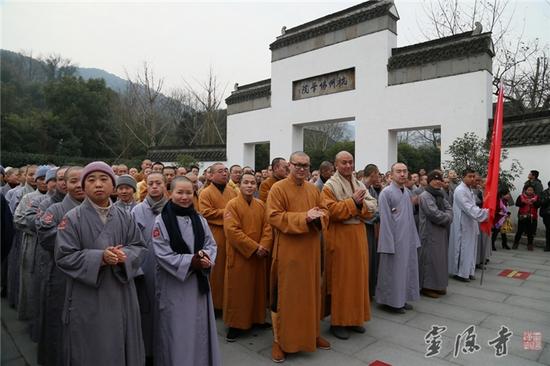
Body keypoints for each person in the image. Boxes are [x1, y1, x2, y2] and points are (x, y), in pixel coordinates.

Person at [54, 161, 147, 365]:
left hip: (122, 291)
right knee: (92, 348)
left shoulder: (126, 217)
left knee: (123, 341)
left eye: (104, 179)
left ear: (112, 186)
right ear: (84, 186)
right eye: (92, 180)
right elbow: (64, 256)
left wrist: (125, 256)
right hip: (88, 295)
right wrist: (100, 258)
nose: (98, 184)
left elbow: (139, 246)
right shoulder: (71, 218)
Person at [266, 151, 331, 363]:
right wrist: (304, 217)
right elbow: (274, 216)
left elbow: (324, 211)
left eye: (305, 165)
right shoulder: (278, 188)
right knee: (286, 297)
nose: (302, 169)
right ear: (289, 166)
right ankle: (280, 341)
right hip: (289, 252)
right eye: (298, 165)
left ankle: (311, 334)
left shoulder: (313, 189)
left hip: (311, 252)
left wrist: (318, 217)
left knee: (311, 294)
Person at [152, 176, 220, 366]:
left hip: (198, 286)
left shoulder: (199, 219)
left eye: (188, 192)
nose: (184, 197)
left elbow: (211, 244)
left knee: (199, 329)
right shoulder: (161, 221)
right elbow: (162, 254)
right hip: (175, 285)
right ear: (169, 193)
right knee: (178, 331)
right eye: (179, 192)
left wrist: (205, 258)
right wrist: (192, 262)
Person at [321, 151, 375, 340]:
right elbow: (331, 211)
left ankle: (354, 319)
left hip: (358, 235)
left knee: (358, 278)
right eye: (344, 162)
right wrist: (353, 203)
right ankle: (338, 322)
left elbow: (372, 205)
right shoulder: (330, 185)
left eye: (350, 162)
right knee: (341, 280)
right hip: (340, 236)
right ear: (336, 165)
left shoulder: (359, 183)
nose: (348, 166)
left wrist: (358, 207)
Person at [37, 166, 85, 366]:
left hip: (90, 277)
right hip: (60, 274)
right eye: (73, 181)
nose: (78, 185)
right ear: (63, 183)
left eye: (84, 180)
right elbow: (46, 237)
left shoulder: (103, 208)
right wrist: (82, 236)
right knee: (58, 321)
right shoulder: (54, 209)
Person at [223, 173, 272, 341]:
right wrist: (254, 247)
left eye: (252, 183)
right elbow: (232, 231)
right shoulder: (232, 205)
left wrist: (264, 246)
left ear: (256, 186)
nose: (250, 186)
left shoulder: (261, 204)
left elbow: (268, 228)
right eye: (246, 182)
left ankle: (257, 319)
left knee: (258, 289)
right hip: (241, 255)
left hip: (259, 255)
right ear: (240, 184)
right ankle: (236, 324)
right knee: (239, 290)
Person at [131, 172, 168, 363]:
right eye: (151, 183)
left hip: (169, 269)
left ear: (165, 185)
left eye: (158, 183)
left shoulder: (173, 208)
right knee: (145, 312)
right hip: (144, 269)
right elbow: (131, 242)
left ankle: (166, 350)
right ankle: (146, 353)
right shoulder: (137, 211)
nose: (154, 186)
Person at [375, 162, 421, 314]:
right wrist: (388, 243)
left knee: (406, 270)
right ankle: (391, 301)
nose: (402, 174)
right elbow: (386, 221)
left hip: (406, 239)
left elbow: (409, 218)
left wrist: (414, 238)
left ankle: (402, 298)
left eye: (404, 171)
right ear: (391, 174)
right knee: (392, 271)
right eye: (398, 171)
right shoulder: (386, 193)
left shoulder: (407, 192)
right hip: (394, 240)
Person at [198, 163, 237, 312]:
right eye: (220, 171)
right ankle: (215, 304)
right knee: (217, 270)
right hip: (215, 233)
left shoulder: (232, 192)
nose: (224, 174)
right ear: (211, 175)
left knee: (230, 268)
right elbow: (206, 212)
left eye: (226, 171)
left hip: (231, 233)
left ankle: (229, 302)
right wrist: (227, 212)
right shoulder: (205, 193)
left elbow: (237, 209)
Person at [14, 165, 49, 321]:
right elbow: (18, 219)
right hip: (31, 241)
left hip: (47, 244)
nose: (43, 182)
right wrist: (37, 228)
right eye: (40, 179)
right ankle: (29, 315)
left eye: (46, 179)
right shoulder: (28, 198)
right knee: (29, 278)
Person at [448, 168, 489, 282]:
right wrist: (486, 213)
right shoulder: (460, 190)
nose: (472, 179)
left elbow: (473, 206)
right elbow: (469, 208)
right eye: (469, 176)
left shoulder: (469, 189)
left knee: (471, 249)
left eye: (473, 176)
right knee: (463, 248)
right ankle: (461, 273)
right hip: (463, 225)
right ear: (463, 177)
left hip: (471, 223)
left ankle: (469, 271)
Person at [418, 170, 453, 298]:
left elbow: (449, 207)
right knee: (430, 260)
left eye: (440, 179)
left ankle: (438, 285)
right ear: (429, 181)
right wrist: (448, 218)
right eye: (435, 179)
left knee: (439, 260)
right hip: (430, 233)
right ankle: (427, 286)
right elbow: (434, 214)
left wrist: (448, 216)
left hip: (441, 231)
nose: (438, 181)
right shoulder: (425, 195)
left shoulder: (440, 194)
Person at [363, 164, 381, 297]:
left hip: (372, 227)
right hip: (363, 227)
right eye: (378, 174)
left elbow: (376, 207)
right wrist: (378, 215)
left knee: (372, 258)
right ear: (373, 173)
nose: (379, 177)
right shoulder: (361, 187)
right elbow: (363, 212)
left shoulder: (372, 189)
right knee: (365, 259)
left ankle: (370, 289)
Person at [513, 184, 540, 251]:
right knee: (519, 231)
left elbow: (538, 205)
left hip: (532, 217)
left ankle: (530, 245)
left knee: (530, 232)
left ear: (534, 191)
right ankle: (515, 243)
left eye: (531, 190)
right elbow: (517, 204)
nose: (530, 191)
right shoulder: (521, 196)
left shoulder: (536, 197)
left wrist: (534, 202)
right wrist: (525, 202)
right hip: (522, 216)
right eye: (528, 190)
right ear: (525, 190)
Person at [540, 181, 550, 252]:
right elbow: (542, 203)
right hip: (547, 214)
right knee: (548, 230)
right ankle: (548, 246)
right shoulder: (544, 193)